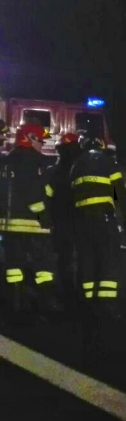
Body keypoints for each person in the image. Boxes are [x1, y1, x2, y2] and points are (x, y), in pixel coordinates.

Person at [69, 134, 126, 324]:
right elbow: (120, 192)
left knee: (86, 261)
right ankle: (106, 305)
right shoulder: (108, 162)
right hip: (104, 220)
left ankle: (86, 304)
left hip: (82, 221)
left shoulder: (76, 165)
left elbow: (71, 197)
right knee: (108, 259)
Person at [0, 124, 55, 315]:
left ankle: (16, 302)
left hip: (8, 224)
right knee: (43, 266)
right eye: (41, 141)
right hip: (34, 224)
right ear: (30, 139)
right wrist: (43, 217)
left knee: (14, 265)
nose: (42, 145)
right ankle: (46, 303)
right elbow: (35, 195)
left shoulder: (7, 161)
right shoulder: (34, 161)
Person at [44, 132, 84, 311]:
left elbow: (47, 198)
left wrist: (46, 218)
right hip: (82, 219)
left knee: (65, 258)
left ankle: (68, 293)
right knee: (82, 257)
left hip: (61, 220)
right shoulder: (83, 167)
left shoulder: (54, 171)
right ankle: (81, 294)